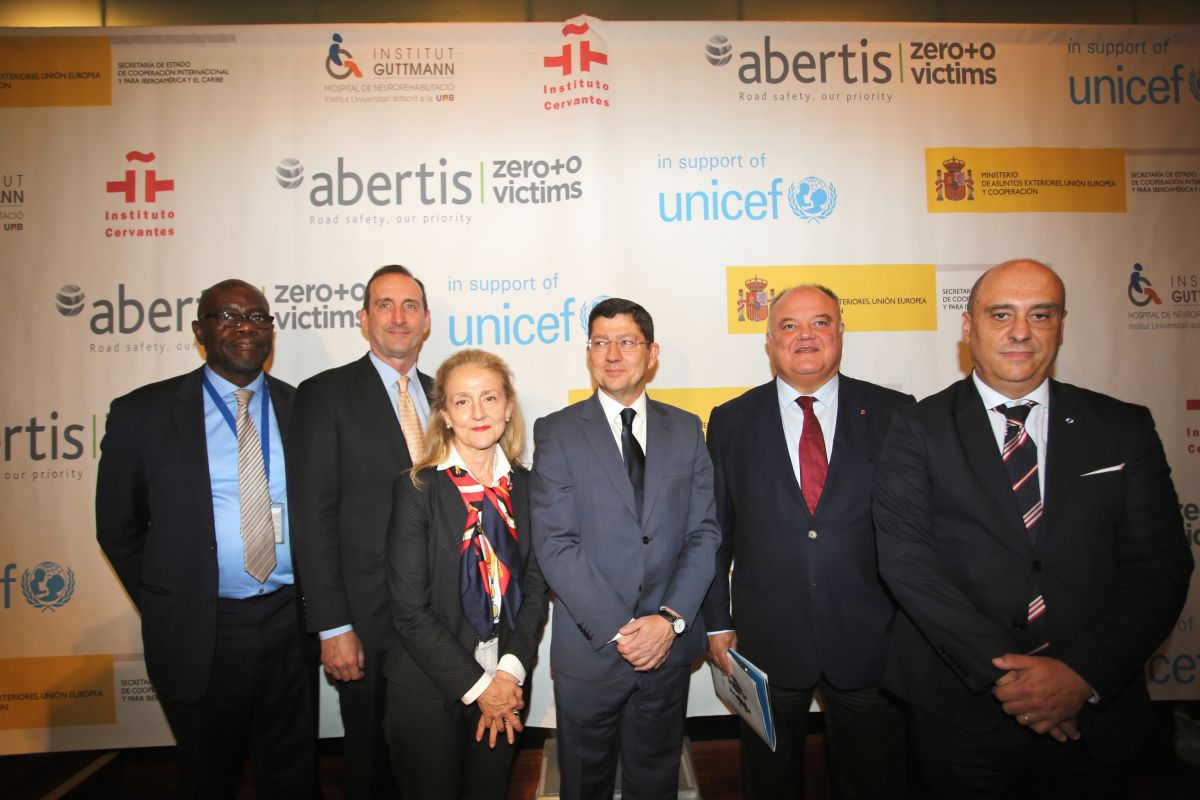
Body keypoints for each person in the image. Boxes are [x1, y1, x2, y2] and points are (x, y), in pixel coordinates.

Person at [874, 259, 1193, 797]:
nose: (1021, 331)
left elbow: (1159, 563)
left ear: (1060, 325)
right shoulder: (916, 427)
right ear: (968, 326)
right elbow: (908, 563)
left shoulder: (1122, 426)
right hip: (961, 714)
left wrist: (1080, 675)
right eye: (1001, 314)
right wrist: (1013, 679)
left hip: (1097, 711)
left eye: (1040, 314)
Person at [96, 279, 318, 798]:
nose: (246, 327)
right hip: (204, 631)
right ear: (200, 331)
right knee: (208, 776)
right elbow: (118, 529)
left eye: (258, 317)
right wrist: (175, 599)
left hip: (290, 624)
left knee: (293, 775)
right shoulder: (143, 413)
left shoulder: (302, 407)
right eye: (229, 316)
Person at [702, 285, 912, 799]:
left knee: (875, 782)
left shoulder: (895, 412)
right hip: (765, 642)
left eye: (820, 322)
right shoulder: (730, 420)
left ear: (840, 331)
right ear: (769, 341)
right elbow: (715, 533)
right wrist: (718, 623)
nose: (806, 336)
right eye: (790, 326)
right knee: (769, 784)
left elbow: (916, 534)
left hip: (870, 640)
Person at [531, 297, 720, 800]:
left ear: (651, 354)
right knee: (584, 785)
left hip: (667, 650)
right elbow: (555, 543)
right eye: (601, 342)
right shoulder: (557, 431)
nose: (612, 353)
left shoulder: (686, 428)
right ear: (588, 352)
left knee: (656, 781)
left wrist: (668, 621)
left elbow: (703, 533)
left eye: (626, 341)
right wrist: (624, 630)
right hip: (592, 652)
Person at [289, 264, 433, 799]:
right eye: (384, 305)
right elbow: (312, 516)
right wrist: (332, 627)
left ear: (426, 321)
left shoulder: (445, 398)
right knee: (371, 761)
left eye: (410, 306)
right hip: (366, 622)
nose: (398, 317)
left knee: (432, 756)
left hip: (441, 618)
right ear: (363, 318)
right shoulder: (323, 394)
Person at [383, 349, 549, 799]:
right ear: (444, 414)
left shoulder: (529, 488)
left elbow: (536, 588)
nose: (478, 413)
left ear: (508, 407)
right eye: (462, 401)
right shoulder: (417, 489)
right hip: (426, 689)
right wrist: (481, 688)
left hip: (506, 682)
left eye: (489, 398)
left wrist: (509, 674)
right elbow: (409, 611)